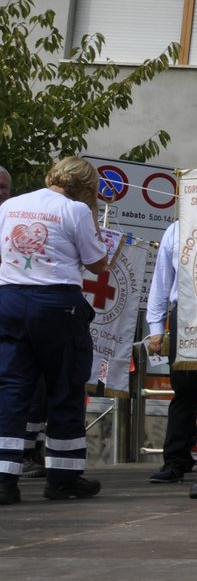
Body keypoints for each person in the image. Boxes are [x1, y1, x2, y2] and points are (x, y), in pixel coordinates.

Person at [0, 155, 109, 502]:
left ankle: (3, 479)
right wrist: (91, 212)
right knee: (64, 385)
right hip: (57, 303)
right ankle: (63, 477)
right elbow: (98, 264)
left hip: (10, 299)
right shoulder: (75, 210)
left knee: (12, 389)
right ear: (85, 187)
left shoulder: (11, 205)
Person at [143, 219, 197, 484]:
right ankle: (177, 459)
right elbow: (162, 277)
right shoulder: (178, 227)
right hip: (187, 313)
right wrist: (156, 326)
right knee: (184, 388)